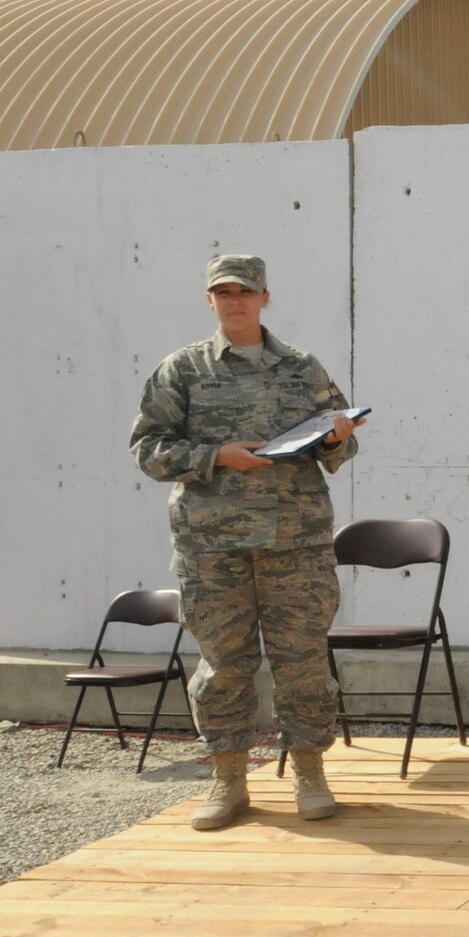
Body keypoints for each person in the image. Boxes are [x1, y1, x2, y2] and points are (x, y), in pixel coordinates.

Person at [129, 254, 362, 831]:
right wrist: (216, 456)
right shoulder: (180, 370)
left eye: (245, 291)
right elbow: (148, 448)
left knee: (302, 661)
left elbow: (337, 451)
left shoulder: (304, 368)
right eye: (223, 291)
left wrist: (338, 437)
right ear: (209, 300)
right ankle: (229, 778)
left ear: (265, 297)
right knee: (224, 663)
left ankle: (310, 771)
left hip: (296, 541)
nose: (235, 300)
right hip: (213, 547)